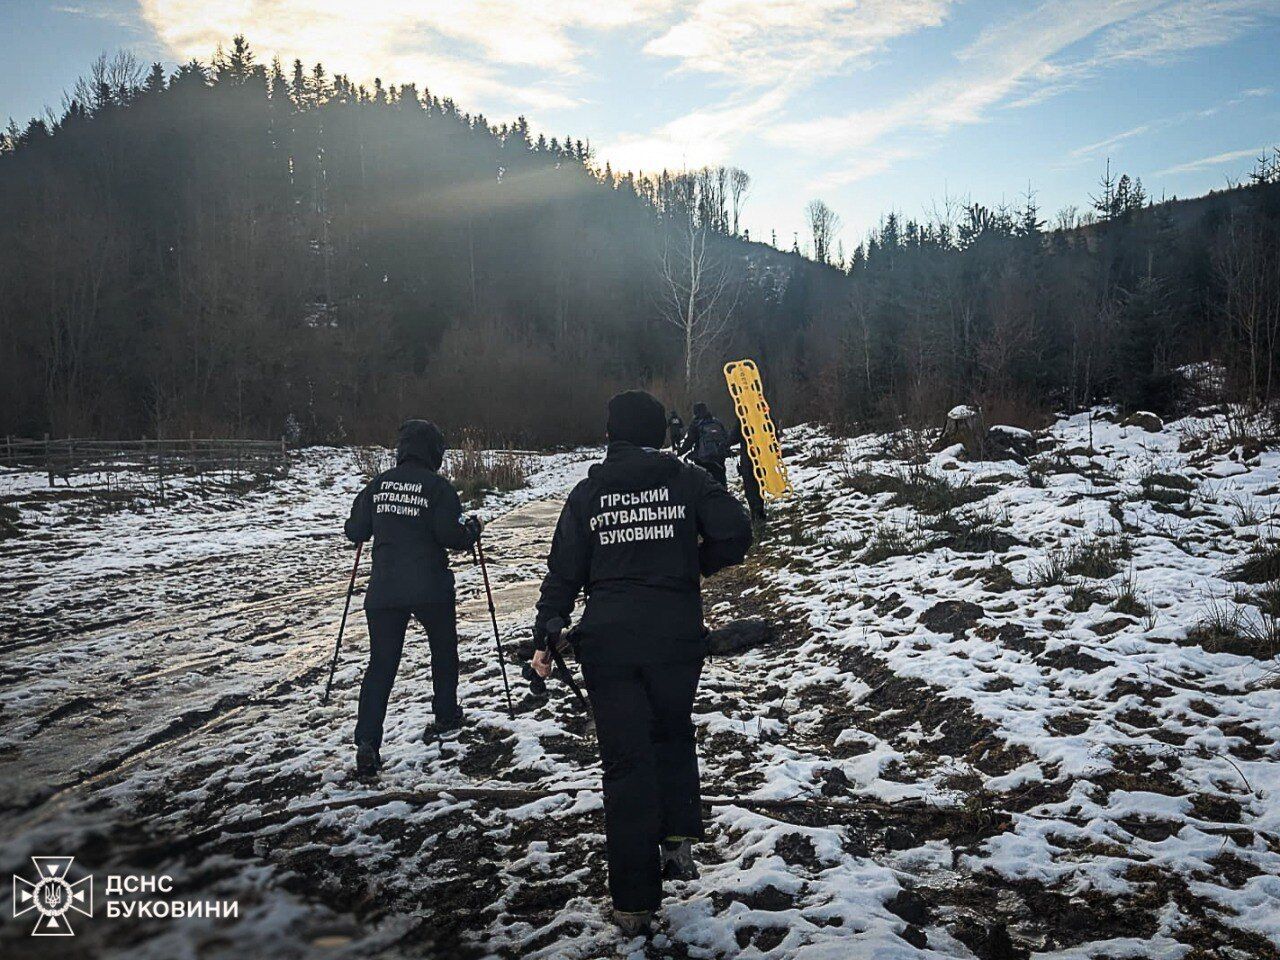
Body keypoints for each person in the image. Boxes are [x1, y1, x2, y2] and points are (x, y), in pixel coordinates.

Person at [531, 390, 752, 934]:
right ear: (661, 437)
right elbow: (736, 532)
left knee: (626, 763)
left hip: (608, 642)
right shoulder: (688, 480)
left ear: (611, 435)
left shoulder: (588, 493)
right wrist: (692, 562)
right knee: (672, 729)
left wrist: (547, 630)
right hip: (676, 636)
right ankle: (677, 840)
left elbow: (564, 570)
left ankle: (633, 903)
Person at [344, 419, 482, 777]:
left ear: (402, 448)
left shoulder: (377, 486)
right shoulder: (438, 488)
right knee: (443, 650)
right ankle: (446, 714)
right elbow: (452, 535)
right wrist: (473, 530)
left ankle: (368, 742)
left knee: (381, 666)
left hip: (385, 591)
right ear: (433, 451)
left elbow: (354, 530)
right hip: (430, 587)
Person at [677, 402, 731, 487]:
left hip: (703, 460)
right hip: (719, 459)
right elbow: (726, 438)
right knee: (721, 482)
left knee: (704, 484)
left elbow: (689, 441)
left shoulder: (695, 424)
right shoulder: (717, 422)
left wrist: (680, 452)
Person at [729, 421, 766, 523]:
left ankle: (755, 515)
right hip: (763, 458)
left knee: (750, 488)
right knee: (759, 485)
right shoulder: (762, 416)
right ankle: (760, 511)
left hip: (748, 461)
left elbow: (732, 438)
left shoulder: (742, 420)